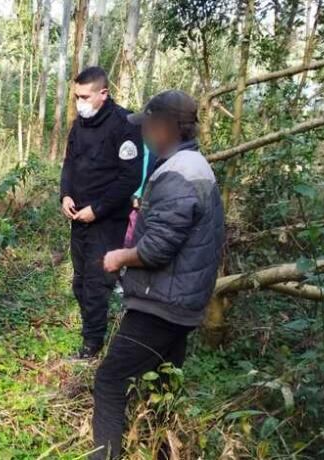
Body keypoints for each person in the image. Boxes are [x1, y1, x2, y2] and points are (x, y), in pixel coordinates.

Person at [90, 90, 225, 459]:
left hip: (162, 304)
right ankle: (161, 450)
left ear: (166, 127)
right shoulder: (193, 165)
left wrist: (119, 257)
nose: (144, 133)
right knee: (163, 385)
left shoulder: (179, 174)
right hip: (182, 302)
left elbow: (156, 249)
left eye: (148, 125)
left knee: (109, 380)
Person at [60, 66, 147, 359]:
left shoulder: (125, 124)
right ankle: (92, 330)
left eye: (84, 97)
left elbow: (129, 178)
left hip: (106, 221)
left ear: (103, 93)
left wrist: (96, 210)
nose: (79, 103)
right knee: (81, 281)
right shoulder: (79, 125)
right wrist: (66, 195)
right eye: (76, 97)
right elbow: (69, 163)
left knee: (97, 284)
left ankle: (92, 345)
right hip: (78, 217)